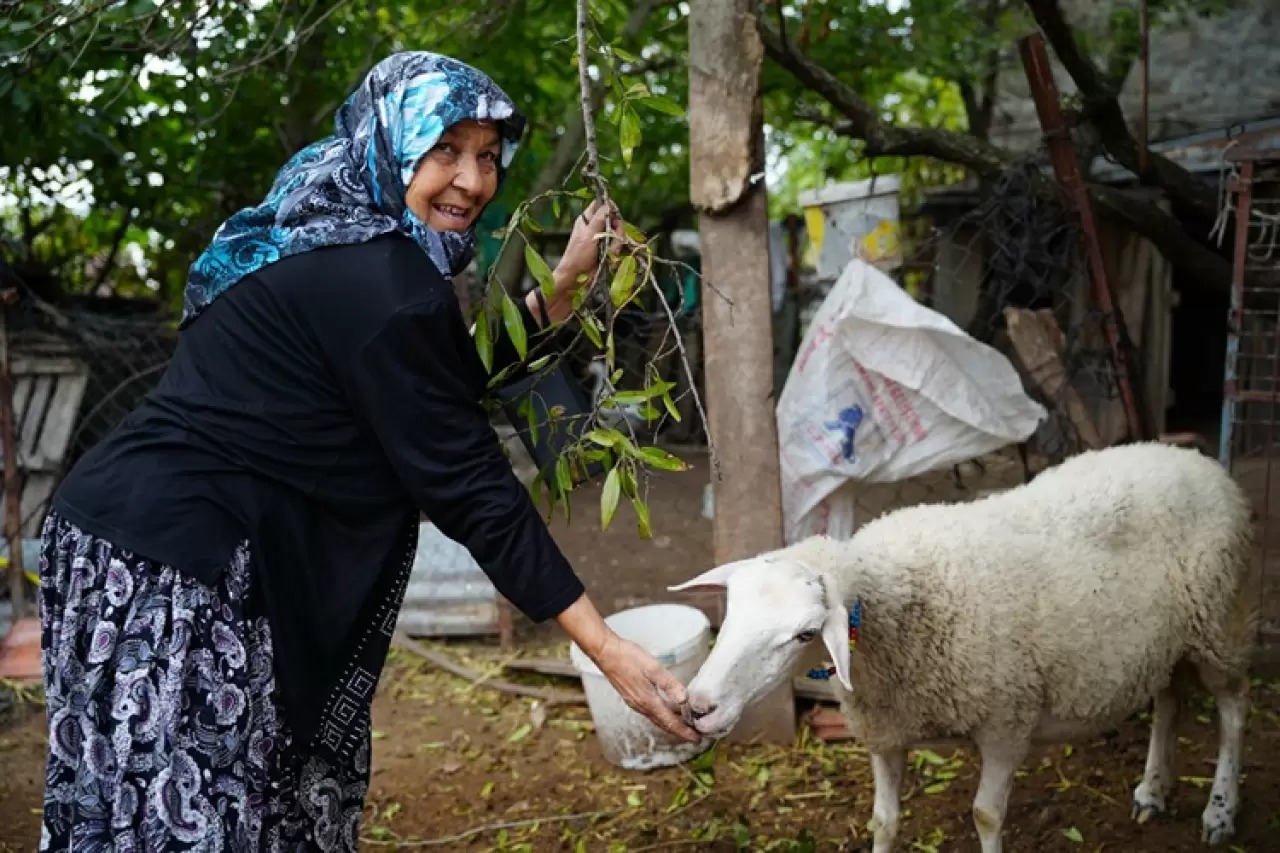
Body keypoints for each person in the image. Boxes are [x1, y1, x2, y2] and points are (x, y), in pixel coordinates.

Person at [36, 51, 700, 851]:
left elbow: (427, 382)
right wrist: (603, 643)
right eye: (443, 149)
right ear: (392, 145)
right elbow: (465, 474)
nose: (472, 179)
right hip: (171, 568)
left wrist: (556, 291)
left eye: (488, 156)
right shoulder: (383, 279)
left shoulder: (323, 226)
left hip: (135, 541)